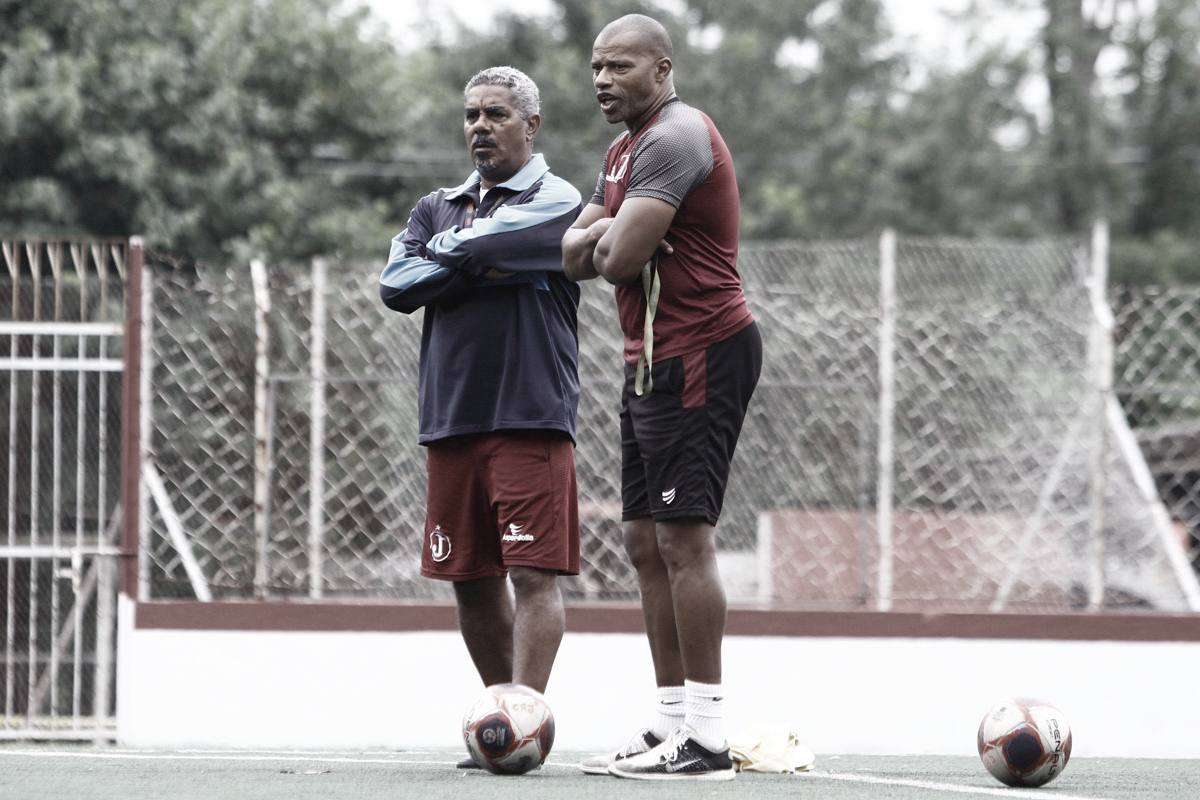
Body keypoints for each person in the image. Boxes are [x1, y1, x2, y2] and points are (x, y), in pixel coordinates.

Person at [562, 14, 762, 782]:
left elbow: (613, 258)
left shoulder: (676, 138)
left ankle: (708, 738)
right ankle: (671, 722)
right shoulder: (623, 150)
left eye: (618, 66)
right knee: (645, 544)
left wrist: (606, 232)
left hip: (704, 350)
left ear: (662, 67)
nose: (603, 80)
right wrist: (609, 229)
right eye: (595, 68)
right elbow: (573, 256)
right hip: (650, 359)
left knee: (684, 540)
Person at [379, 66, 583, 768]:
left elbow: (438, 263)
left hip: (529, 413)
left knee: (532, 575)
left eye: (495, 114)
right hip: (452, 416)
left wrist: (453, 257)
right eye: (471, 115)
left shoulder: (558, 199)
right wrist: (484, 258)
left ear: (530, 125)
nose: (479, 127)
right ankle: (499, 718)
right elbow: (395, 285)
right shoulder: (436, 204)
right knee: (469, 576)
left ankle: (525, 723)